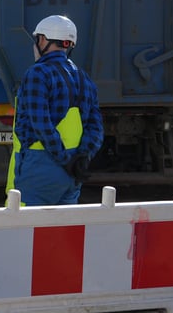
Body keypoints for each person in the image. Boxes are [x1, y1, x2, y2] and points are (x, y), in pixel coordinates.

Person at [6, 15, 104, 206]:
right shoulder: (83, 78)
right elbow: (96, 127)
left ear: (43, 40)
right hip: (74, 171)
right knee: (62, 231)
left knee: (27, 229)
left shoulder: (37, 73)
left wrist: (63, 159)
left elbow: (41, 124)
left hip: (41, 165)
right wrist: (82, 158)